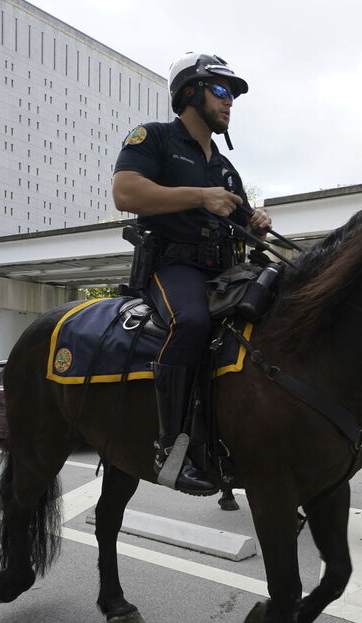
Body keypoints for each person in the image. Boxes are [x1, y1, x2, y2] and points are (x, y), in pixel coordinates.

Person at [112, 52, 272, 494]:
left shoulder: (224, 167)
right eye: (220, 91)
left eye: (233, 95)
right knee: (192, 322)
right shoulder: (154, 138)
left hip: (222, 272)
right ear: (189, 93)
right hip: (171, 266)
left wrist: (254, 220)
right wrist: (201, 196)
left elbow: (235, 215)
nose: (229, 102)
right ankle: (169, 446)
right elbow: (125, 192)